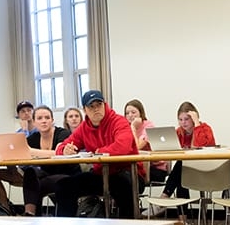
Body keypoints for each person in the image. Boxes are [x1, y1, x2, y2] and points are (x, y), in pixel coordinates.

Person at [55, 90, 145, 218]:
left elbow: (122, 147)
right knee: (63, 186)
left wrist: (99, 152)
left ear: (104, 104)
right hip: (102, 174)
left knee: (121, 184)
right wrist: (64, 150)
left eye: (99, 104)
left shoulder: (119, 121)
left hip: (130, 172)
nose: (96, 109)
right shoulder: (84, 128)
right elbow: (63, 146)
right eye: (91, 106)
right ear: (85, 110)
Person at [144, 101, 216, 218]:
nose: (183, 123)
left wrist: (197, 124)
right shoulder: (179, 132)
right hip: (186, 171)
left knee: (181, 165)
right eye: (180, 119)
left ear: (194, 117)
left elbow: (199, 146)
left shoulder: (205, 129)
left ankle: (165, 197)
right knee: (182, 174)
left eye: (187, 119)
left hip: (204, 169)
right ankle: (183, 221)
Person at [19, 106, 80, 216]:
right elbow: (22, 152)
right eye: (40, 118)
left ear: (52, 120)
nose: (44, 121)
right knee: (30, 173)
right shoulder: (33, 138)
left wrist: (31, 151)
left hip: (68, 175)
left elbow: (60, 153)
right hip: (48, 176)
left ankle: (34, 216)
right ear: (34, 122)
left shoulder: (63, 133)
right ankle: (29, 213)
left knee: (35, 186)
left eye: (47, 118)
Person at [124, 99, 162, 181]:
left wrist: (133, 127)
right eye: (127, 113)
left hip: (154, 167)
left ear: (140, 113)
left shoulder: (148, 125)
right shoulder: (124, 127)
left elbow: (137, 147)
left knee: (126, 176)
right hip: (134, 165)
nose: (130, 115)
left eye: (133, 112)